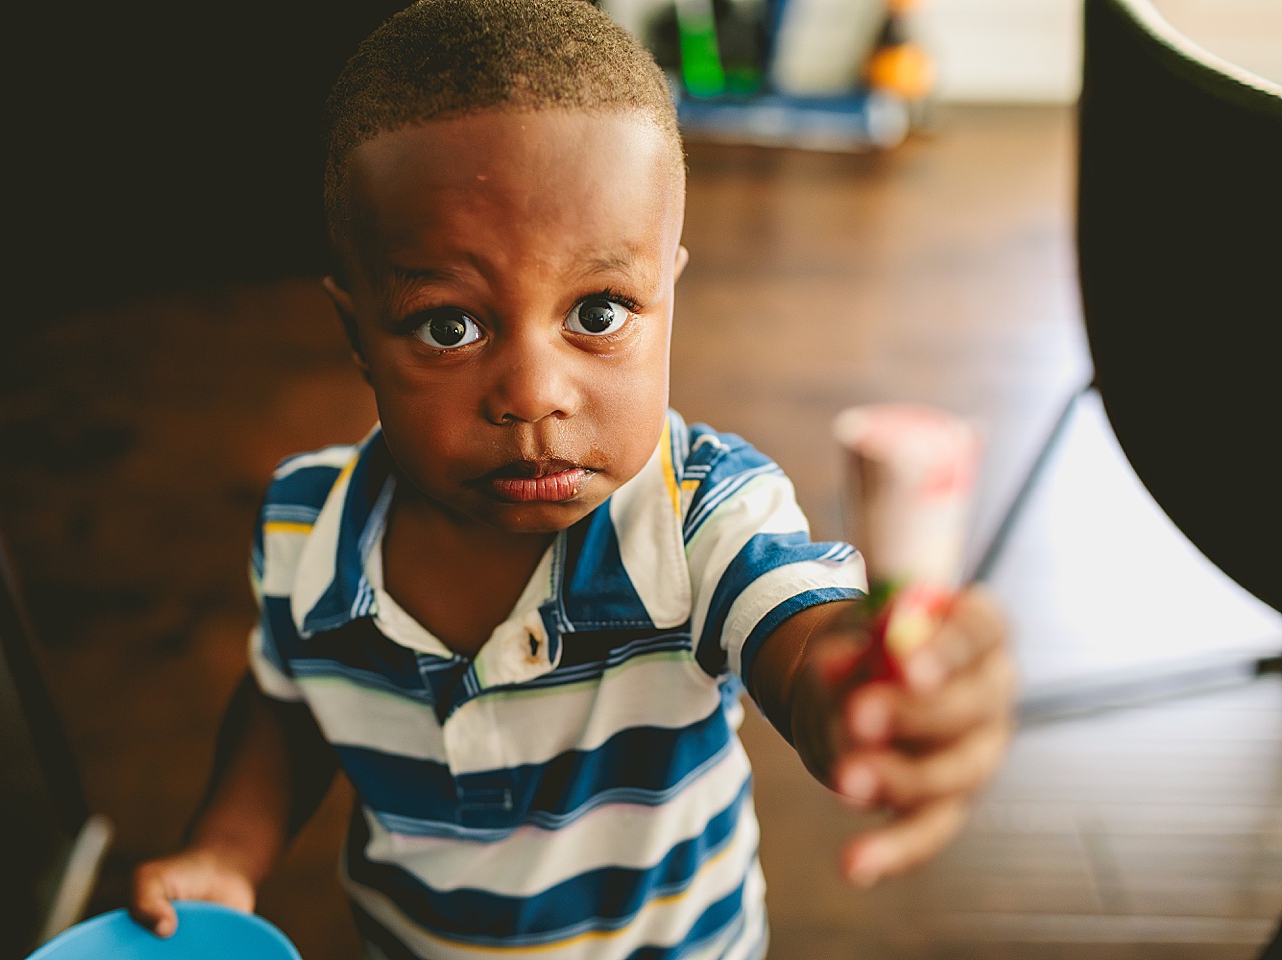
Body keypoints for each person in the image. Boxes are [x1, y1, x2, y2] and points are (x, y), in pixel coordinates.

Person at [130, 2, 1014, 957]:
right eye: (447, 326)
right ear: (357, 338)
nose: (533, 397)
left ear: (668, 295)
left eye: (598, 310)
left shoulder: (703, 520)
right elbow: (290, 700)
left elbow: (798, 642)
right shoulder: (306, 530)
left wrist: (861, 689)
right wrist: (227, 850)